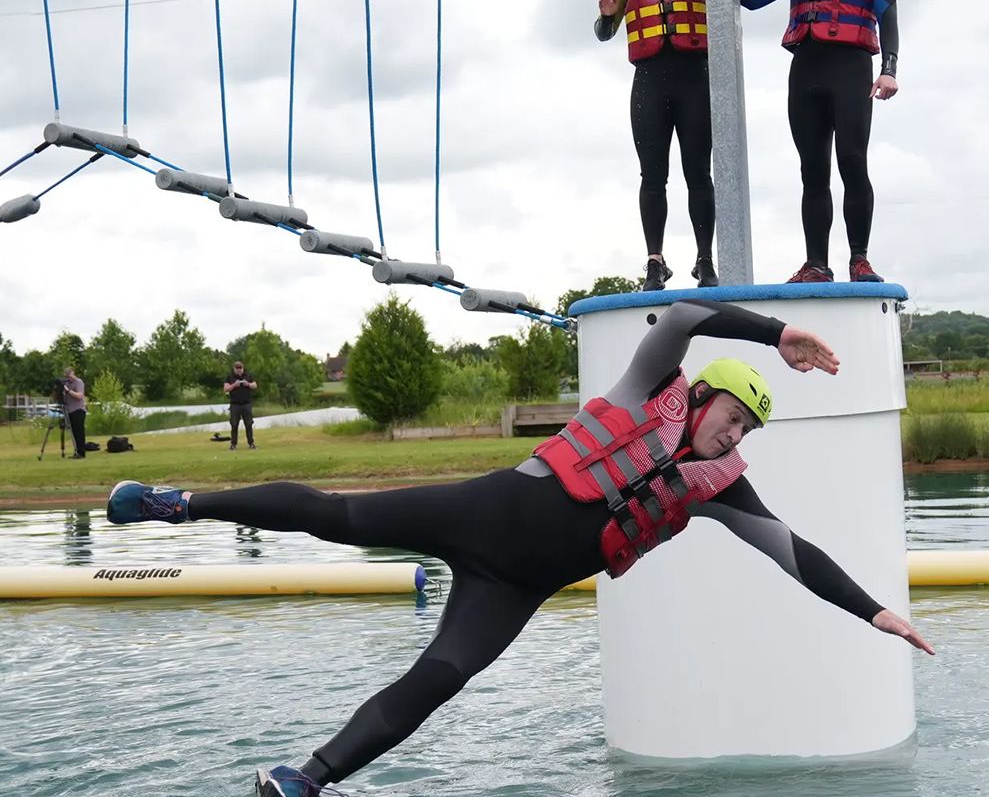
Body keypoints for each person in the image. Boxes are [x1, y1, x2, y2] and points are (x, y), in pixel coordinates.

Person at [105, 298, 933, 795]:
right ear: (707, 394)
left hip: (515, 587)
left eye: (748, 431)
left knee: (440, 678)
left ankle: (305, 778)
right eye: (734, 417)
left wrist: (877, 612)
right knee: (336, 514)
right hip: (483, 513)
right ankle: (181, 503)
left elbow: (797, 555)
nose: (734, 435)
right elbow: (684, 317)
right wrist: (777, 332)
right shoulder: (649, 388)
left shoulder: (722, 490)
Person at [739, 0, 898, 284]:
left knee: (852, 161)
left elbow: (888, 14)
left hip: (850, 70)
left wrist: (889, 69)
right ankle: (816, 264)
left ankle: (859, 259)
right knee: (812, 170)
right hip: (805, 72)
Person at [596, 0, 720, 291]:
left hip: (694, 80)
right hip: (649, 84)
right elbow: (603, 32)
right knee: (652, 176)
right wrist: (605, 15)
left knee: (698, 173)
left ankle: (704, 259)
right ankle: (655, 261)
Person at [224, 361, 258, 450]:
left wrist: (248, 384)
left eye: (240, 368)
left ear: (243, 368)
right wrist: (234, 385)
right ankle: (233, 444)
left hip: (246, 403)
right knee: (234, 424)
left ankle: (251, 443)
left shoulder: (248, 376)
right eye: (237, 368)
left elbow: (255, 385)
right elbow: (226, 389)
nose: (239, 370)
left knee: (249, 424)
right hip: (235, 404)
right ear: (234, 369)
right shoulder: (230, 377)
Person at [60, 366, 88, 460]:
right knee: (74, 433)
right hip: (69, 410)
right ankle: (76, 451)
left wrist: (67, 390)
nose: (69, 377)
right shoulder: (67, 383)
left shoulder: (79, 382)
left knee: (79, 432)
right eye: (67, 375)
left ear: (73, 373)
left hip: (78, 410)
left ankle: (81, 452)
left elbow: (79, 396)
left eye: (69, 374)